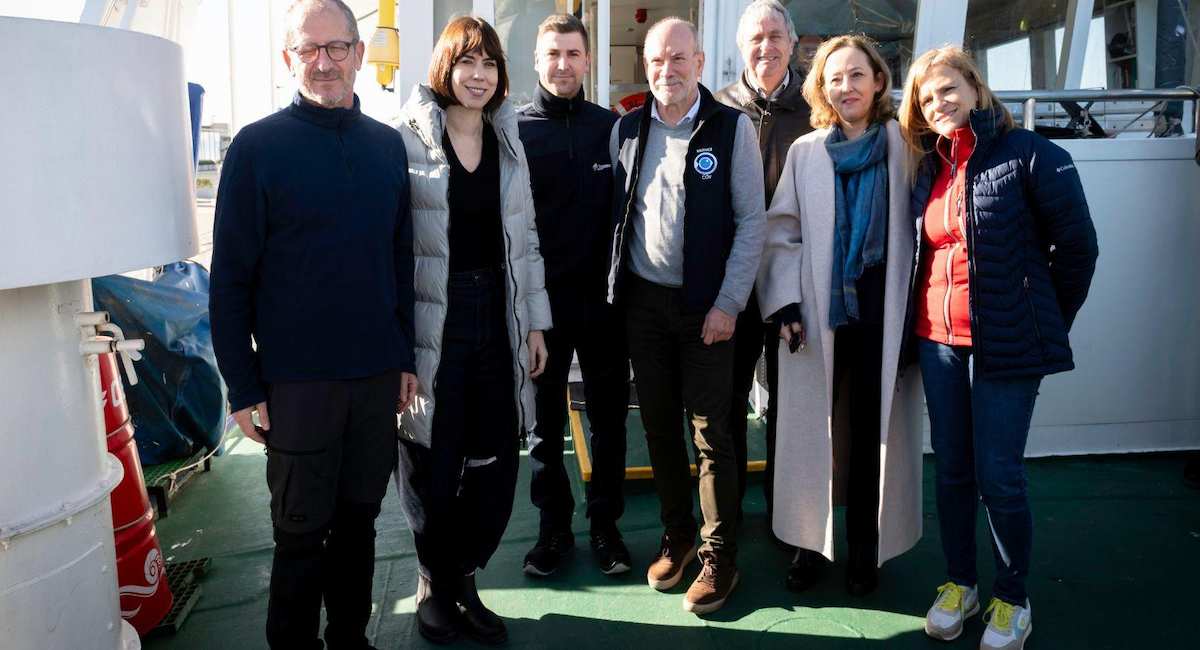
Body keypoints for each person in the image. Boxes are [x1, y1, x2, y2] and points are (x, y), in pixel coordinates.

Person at [209, 1, 418, 648]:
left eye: (336, 48)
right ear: (288, 58)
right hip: (296, 386)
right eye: (309, 49)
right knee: (299, 534)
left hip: (376, 378)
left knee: (358, 525)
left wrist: (405, 357)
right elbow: (230, 280)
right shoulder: (256, 149)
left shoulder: (387, 148)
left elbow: (400, 262)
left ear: (359, 53)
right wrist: (243, 387)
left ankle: (350, 640)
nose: (323, 61)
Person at [898, 45, 1098, 649]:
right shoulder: (927, 168)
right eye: (927, 97)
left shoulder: (1033, 155)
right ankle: (961, 582)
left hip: (1008, 342)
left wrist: (1042, 321)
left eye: (948, 89)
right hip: (938, 340)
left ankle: (1013, 595)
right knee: (953, 470)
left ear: (976, 88)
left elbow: (1079, 251)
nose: (939, 103)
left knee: (1000, 475)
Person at [393, 15, 551, 646]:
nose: (478, 75)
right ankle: (435, 583)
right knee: (431, 452)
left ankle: (464, 576)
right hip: (437, 311)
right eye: (467, 63)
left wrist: (536, 323)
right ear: (445, 68)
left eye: (489, 64)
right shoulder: (404, 142)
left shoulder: (509, 140)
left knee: (493, 454)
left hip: (500, 312)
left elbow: (528, 239)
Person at [755, 34, 923, 598]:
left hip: (885, 316)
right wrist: (784, 305)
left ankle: (865, 552)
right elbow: (782, 232)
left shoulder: (908, 146)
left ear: (879, 81)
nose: (845, 86)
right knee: (814, 434)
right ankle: (809, 545)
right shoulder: (806, 152)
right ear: (820, 88)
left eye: (857, 75)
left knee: (871, 437)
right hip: (817, 319)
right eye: (834, 77)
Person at [608, 17, 765, 615]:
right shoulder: (627, 129)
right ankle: (676, 537)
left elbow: (752, 221)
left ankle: (719, 556)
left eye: (679, 59)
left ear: (700, 63)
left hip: (707, 310)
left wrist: (729, 303)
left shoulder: (730, 129)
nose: (666, 71)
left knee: (712, 434)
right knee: (657, 428)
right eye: (656, 61)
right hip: (645, 307)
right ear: (645, 67)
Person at [516, 13, 631, 578]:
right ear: (537, 61)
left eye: (573, 55)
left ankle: (606, 527)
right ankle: (553, 530)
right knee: (544, 426)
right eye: (552, 54)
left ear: (588, 62)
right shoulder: (513, 133)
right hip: (542, 306)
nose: (563, 65)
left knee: (609, 421)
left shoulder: (610, 128)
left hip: (604, 306)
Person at [714, 0, 813, 525]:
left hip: (793, 285)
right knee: (726, 403)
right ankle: (724, 514)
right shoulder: (720, 108)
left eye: (775, 35)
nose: (766, 47)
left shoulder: (815, 108)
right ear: (740, 47)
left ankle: (787, 518)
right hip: (733, 281)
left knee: (790, 409)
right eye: (755, 37)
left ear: (792, 43)